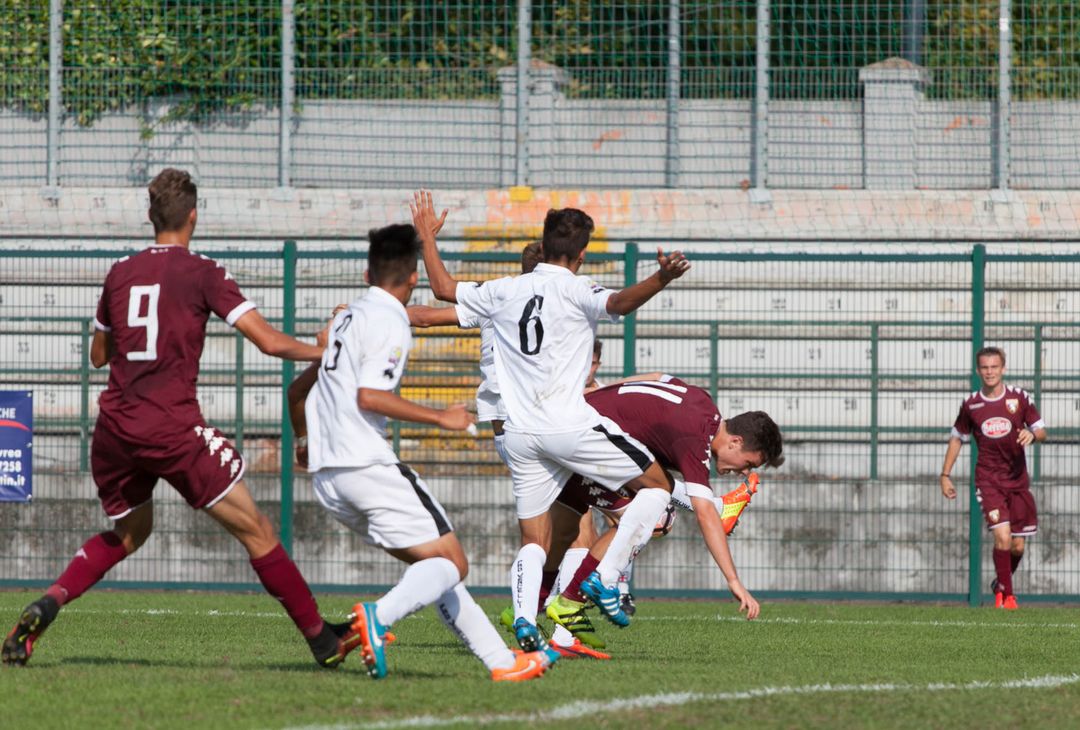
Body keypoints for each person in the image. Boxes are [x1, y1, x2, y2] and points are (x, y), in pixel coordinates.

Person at [1, 168, 357, 669]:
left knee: (131, 532)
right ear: (193, 216)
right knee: (257, 530)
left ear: (151, 218)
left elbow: (98, 356)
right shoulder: (203, 272)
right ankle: (322, 640)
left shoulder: (120, 272)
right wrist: (327, 350)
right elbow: (269, 342)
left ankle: (49, 601)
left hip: (116, 428)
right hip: (170, 427)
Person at [411, 190, 690, 648]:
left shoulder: (503, 289)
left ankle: (524, 619)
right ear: (582, 255)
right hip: (568, 427)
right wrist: (661, 277)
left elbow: (441, 289)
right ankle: (607, 579)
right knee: (657, 488)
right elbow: (620, 304)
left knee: (537, 539)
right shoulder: (578, 289)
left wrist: (426, 236)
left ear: (543, 244)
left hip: (519, 435)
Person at [292, 222, 558, 681]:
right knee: (453, 563)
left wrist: (303, 440)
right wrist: (441, 417)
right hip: (365, 465)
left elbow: (297, 390)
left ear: (367, 273)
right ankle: (376, 618)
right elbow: (370, 396)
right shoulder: (389, 320)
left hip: (328, 476)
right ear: (414, 277)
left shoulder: (346, 318)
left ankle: (503, 663)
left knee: (434, 567)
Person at [544, 378, 783, 645]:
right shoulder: (695, 437)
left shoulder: (702, 401)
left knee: (561, 534)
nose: (745, 472)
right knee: (656, 506)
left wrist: (600, 392)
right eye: (749, 463)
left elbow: (658, 377)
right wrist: (733, 580)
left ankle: (529, 616)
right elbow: (703, 514)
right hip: (576, 434)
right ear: (735, 442)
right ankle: (593, 587)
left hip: (559, 426)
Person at [940, 346, 1046, 610]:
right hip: (988, 482)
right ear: (978, 371)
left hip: (1018, 481)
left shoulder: (1019, 397)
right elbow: (957, 438)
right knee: (1003, 537)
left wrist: (1032, 435)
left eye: (994, 367)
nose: (989, 372)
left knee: (1017, 546)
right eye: (985, 368)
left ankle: (1000, 583)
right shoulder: (971, 404)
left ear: (1003, 369)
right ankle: (1007, 598)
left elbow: (1041, 430)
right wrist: (945, 475)